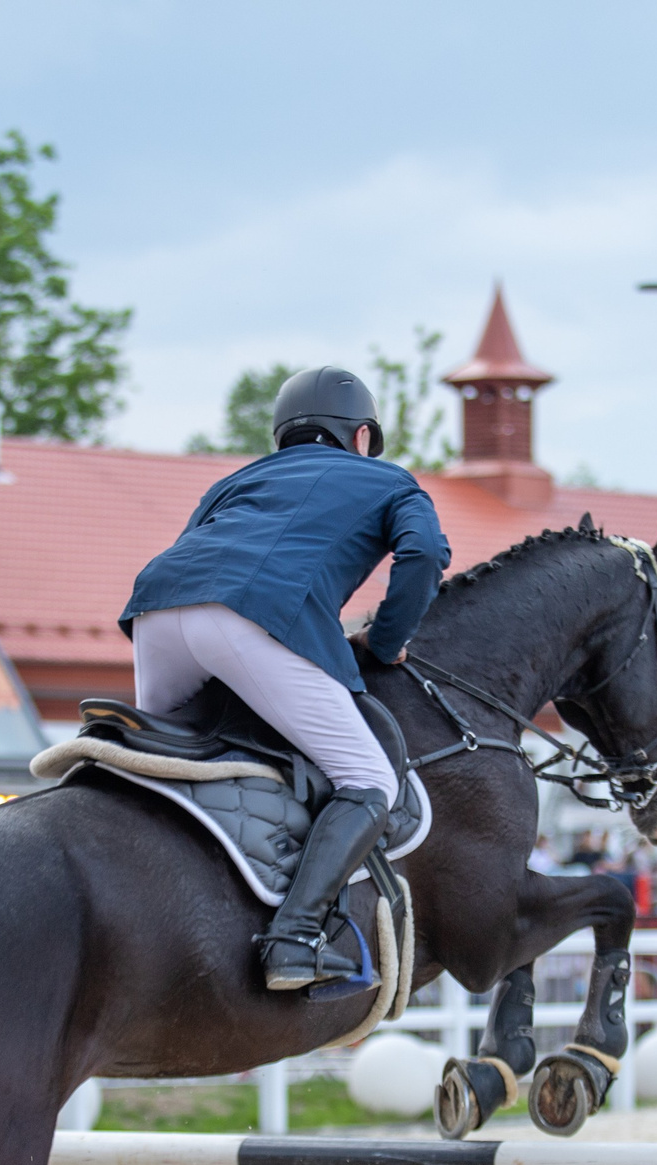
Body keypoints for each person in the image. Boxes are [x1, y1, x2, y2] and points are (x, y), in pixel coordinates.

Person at [120, 365, 450, 991]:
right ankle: (294, 939)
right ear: (360, 437)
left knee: (162, 764)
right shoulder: (389, 480)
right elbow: (425, 555)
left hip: (156, 611)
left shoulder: (234, 480)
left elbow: (196, 552)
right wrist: (384, 643)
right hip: (253, 617)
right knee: (369, 778)